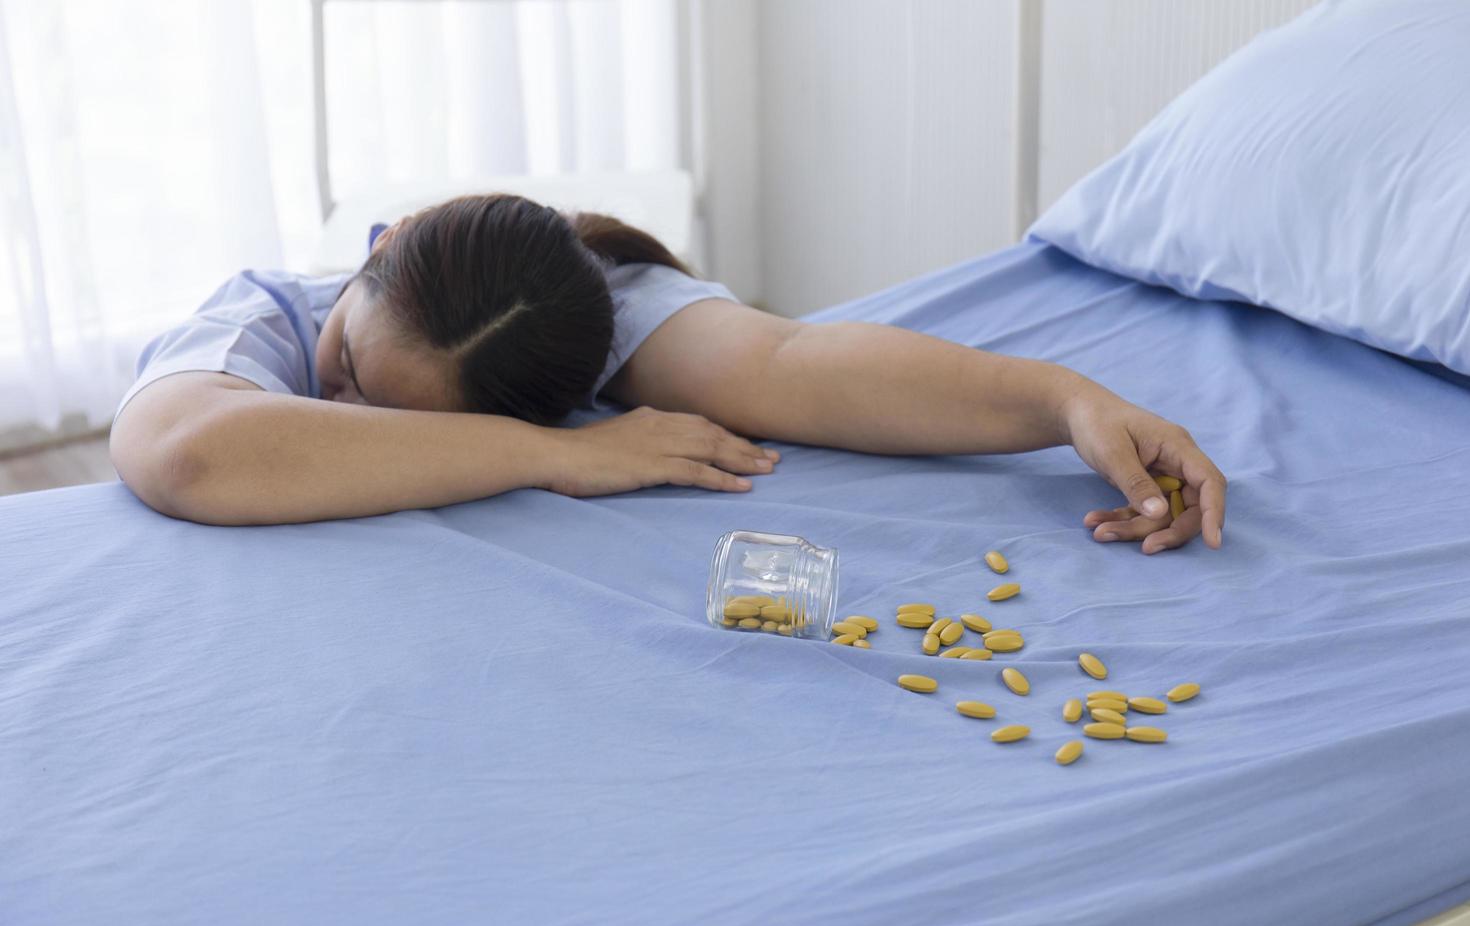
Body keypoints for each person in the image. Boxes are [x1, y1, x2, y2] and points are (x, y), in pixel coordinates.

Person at [110, 193, 1226, 553]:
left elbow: (797, 363)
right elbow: (193, 451)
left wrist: (1064, 400)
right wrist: (557, 454)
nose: (332, 395)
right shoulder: (261, 321)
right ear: (378, 245)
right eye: (348, 364)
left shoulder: (594, 314)